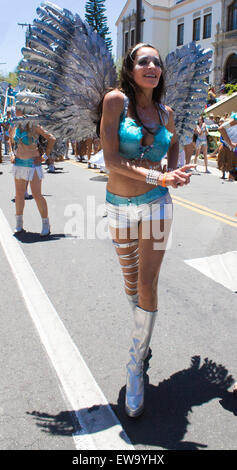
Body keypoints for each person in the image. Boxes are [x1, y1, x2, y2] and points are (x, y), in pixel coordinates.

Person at [99, 42, 195, 418]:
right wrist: (161, 174)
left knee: (147, 284)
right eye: (144, 61)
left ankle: (136, 363)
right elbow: (111, 159)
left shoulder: (166, 113)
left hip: (156, 205)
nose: (152, 66)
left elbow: (172, 149)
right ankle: (145, 342)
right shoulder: (115, 101)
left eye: (157, 61)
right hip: (119, 207)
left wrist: (176, 172)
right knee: (130, 281)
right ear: (131, 68)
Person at [9, 107, 56, 235]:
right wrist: (12, 154)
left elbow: (51, 139)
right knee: (19, 195)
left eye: (17, 111)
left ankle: (46, 224)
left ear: (24, 113)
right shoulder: (15, 126)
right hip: (18, 164)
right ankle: (19, 224)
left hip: (33, 165)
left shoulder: (34, 126)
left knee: (36, 194)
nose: (15, 113)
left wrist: (44, 157)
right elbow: (10, 141)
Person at [218, 112, 237, 181]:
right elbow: (221, 129)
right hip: (231, 150)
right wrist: (230, 143)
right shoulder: (235, 121)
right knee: (233, 173)